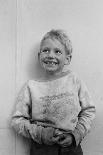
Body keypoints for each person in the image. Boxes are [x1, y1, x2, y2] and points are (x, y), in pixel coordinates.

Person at [11, 29, 96, 155]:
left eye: (57, 51)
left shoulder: (74, 81)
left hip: (71, 147)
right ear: (38, 56)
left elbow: (88, 111)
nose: (51, 55)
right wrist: (41, 134)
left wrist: (76, 134)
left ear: (67, 59)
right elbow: (17, 120)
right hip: (41, 148)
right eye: (46, 50)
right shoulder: (31, 86)